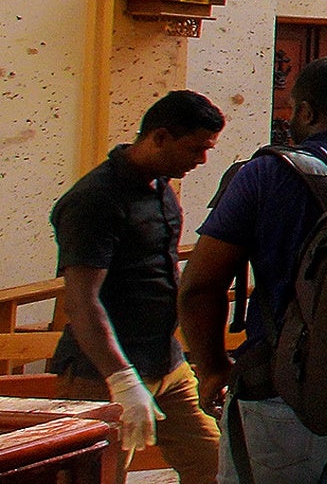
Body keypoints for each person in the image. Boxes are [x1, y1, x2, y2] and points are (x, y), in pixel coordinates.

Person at [180, 56, 327, 484]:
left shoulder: (266, 173)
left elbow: (200, 286)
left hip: (277, 394)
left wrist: (212, 370)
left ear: (306, 111)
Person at [50, 90, 227, 484]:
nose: (202, 160)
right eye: (195, 148)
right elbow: (82, 302)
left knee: (217, 470)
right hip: (103, 371)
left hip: (167, 362)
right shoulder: (95, 200)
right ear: (159, 138)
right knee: (97, 478)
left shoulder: (160, 185)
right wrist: (121, 380)